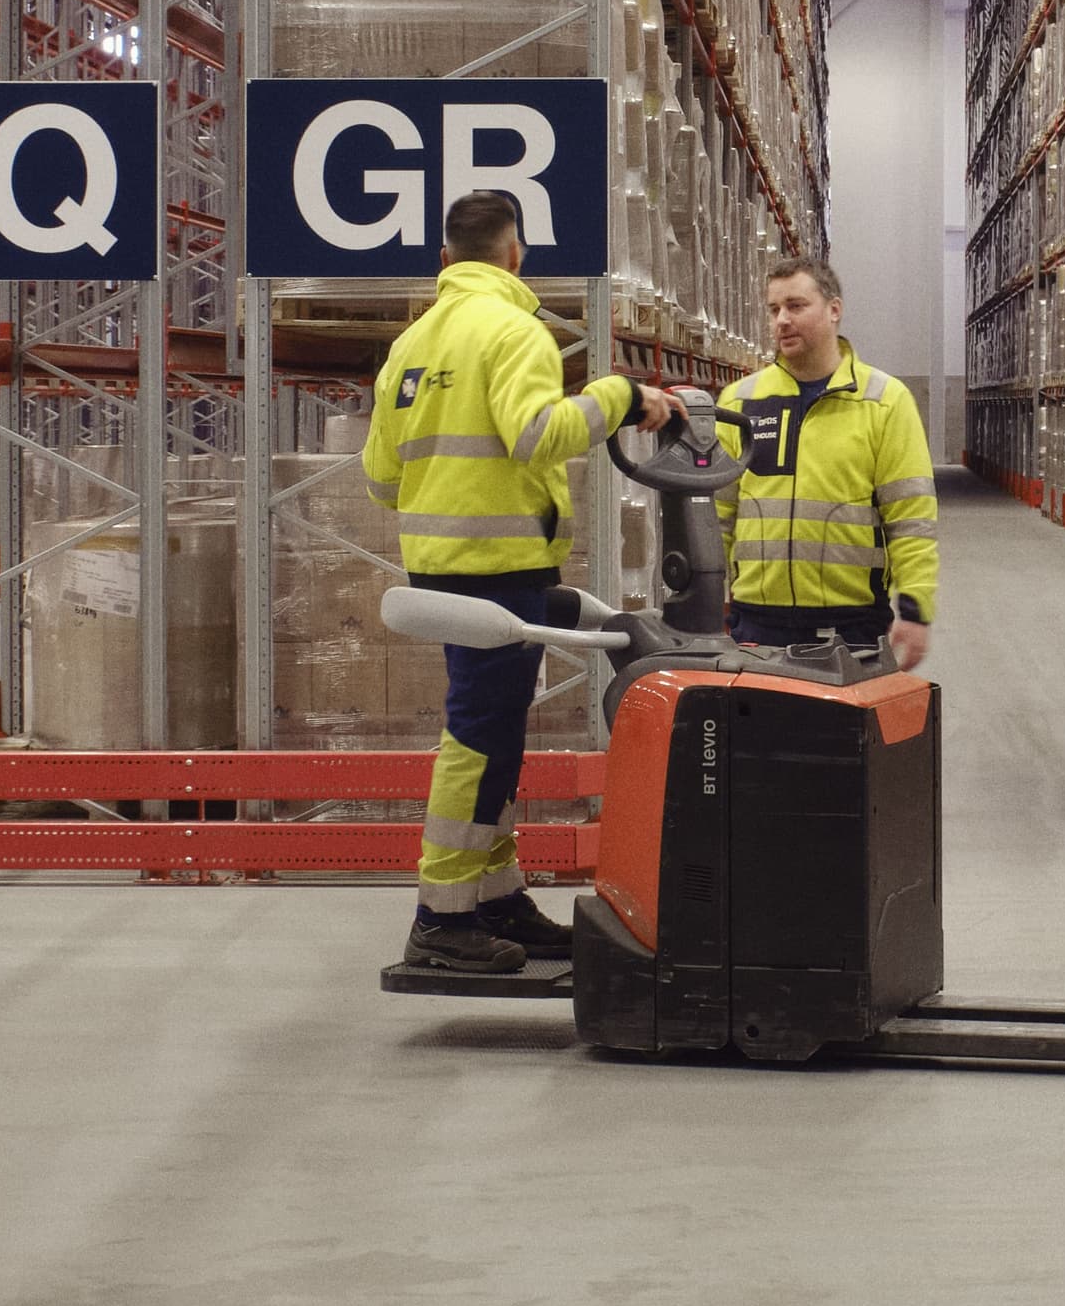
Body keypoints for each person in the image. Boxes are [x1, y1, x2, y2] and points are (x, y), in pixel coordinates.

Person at [365, 190, 676, 975]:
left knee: (497, 737)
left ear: (445, 259)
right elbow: (539, 434)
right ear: (515, 255)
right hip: (497, 565)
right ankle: (440, 918)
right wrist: (619, 396)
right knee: (477, 739)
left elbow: (380, 478)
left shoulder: (410, 345)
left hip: (442, 567)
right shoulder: (515, 330)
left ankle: (494, 899)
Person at [712, 256, 939, 670]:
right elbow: (719, 514)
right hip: (756, 623)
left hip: (851, 627)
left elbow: (911, 517)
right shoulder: (740, 401)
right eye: (774, 309)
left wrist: (915, 606)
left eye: (796, 306)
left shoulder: (884, 401)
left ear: (834, 310)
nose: (782, 320)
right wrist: (710, 603)